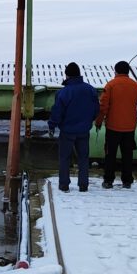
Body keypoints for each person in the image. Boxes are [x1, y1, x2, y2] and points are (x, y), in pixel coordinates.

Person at [47, 62, 100, 193]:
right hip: (84, 130)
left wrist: (52, 125)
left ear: (67, 75)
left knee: (65, 158)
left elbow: (57, 112)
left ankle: (64, 185)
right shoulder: (90, 90)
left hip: (67, 131)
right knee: (83, 158)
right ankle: (83, 185)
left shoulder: (63, 92)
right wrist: (88, 121)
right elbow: (96, 110)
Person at [96, 60, 137, 189]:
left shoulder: (111, 85)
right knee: (128, 155)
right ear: (128, 71)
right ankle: (127, 181)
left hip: (112, 127)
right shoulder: (136, 86)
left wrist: (98, 122)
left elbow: (103, 107)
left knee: (110, 155)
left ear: (116, 71)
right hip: (129, 129)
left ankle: (108, 181)